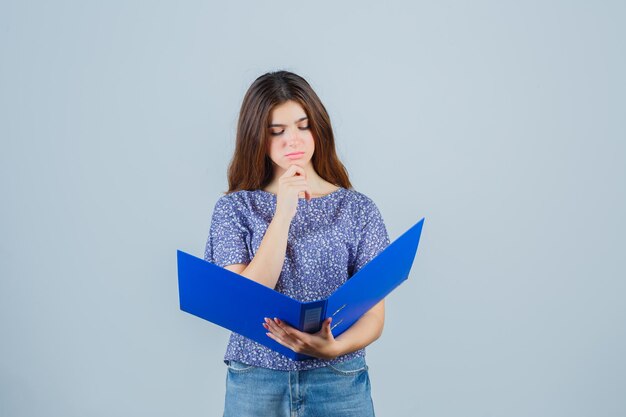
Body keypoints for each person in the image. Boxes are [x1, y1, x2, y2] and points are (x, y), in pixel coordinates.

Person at [204, 70, 390, 417]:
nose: (294, 140)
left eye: (303, 126)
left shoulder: (357, 209)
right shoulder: (234, 209)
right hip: (256, 381)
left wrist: (333, 349)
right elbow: (243, 300)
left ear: (318, 127)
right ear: (256, 137)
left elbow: (374, 314)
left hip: (338, 380)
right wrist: (283, 213)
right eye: (277, 131)